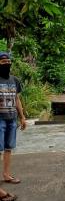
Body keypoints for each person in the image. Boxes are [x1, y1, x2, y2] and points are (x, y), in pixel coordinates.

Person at [0, 52, 26, 185]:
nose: (7, 64)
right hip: (0, 119)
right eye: (3, 62)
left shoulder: (14, 80)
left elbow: (17, 99)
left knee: (8, 148)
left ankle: (6, 174)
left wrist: (22, 117)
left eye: (9, 62)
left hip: (12, 119)